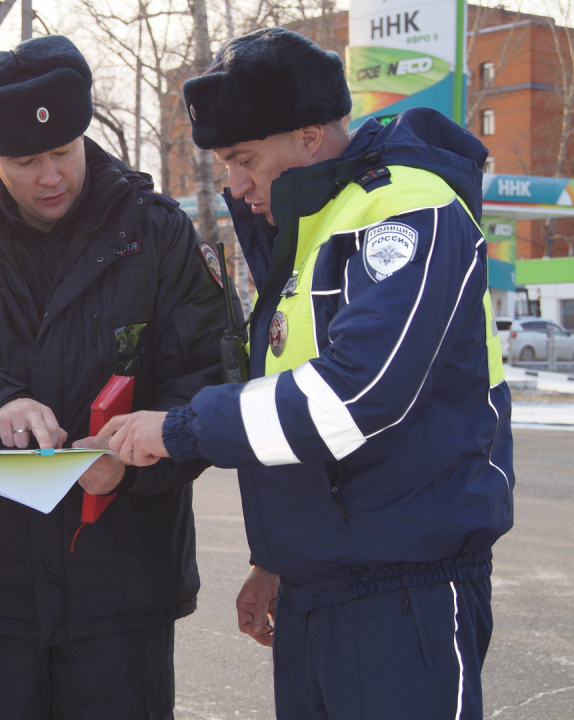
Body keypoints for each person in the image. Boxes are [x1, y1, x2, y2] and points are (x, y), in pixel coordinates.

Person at [85, 28, 514, 720]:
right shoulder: (314, 228)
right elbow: (295, 412)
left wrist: (182, 428)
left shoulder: (405, 210)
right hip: (320, 590)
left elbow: (353, 395)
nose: (237, 184)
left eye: (245, 159)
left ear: (310, 137)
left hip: (404, 594)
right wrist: (278, 558)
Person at [0, 35, 233, 719]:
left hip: (123, 587)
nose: (51, 175)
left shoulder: (157, 235)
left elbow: (215, 371)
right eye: (27, 161)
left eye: (63, 151)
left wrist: (137, 460)